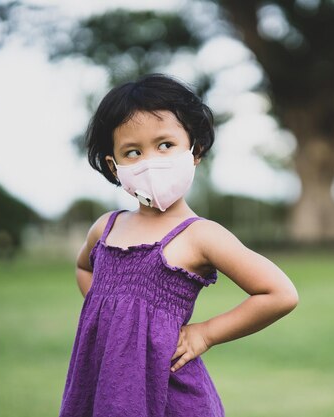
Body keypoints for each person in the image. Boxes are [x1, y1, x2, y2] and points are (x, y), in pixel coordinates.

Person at [58, 73, 299, 417]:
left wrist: (205, 334)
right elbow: (85, 267)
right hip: (105, 390)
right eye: (133, 152)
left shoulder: (201, 235)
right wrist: (112, 318)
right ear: (114, 166)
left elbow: (279, 293)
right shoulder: (105, 229)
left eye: (165, 145)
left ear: (194, 150)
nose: (150, 161)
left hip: (171, 397)